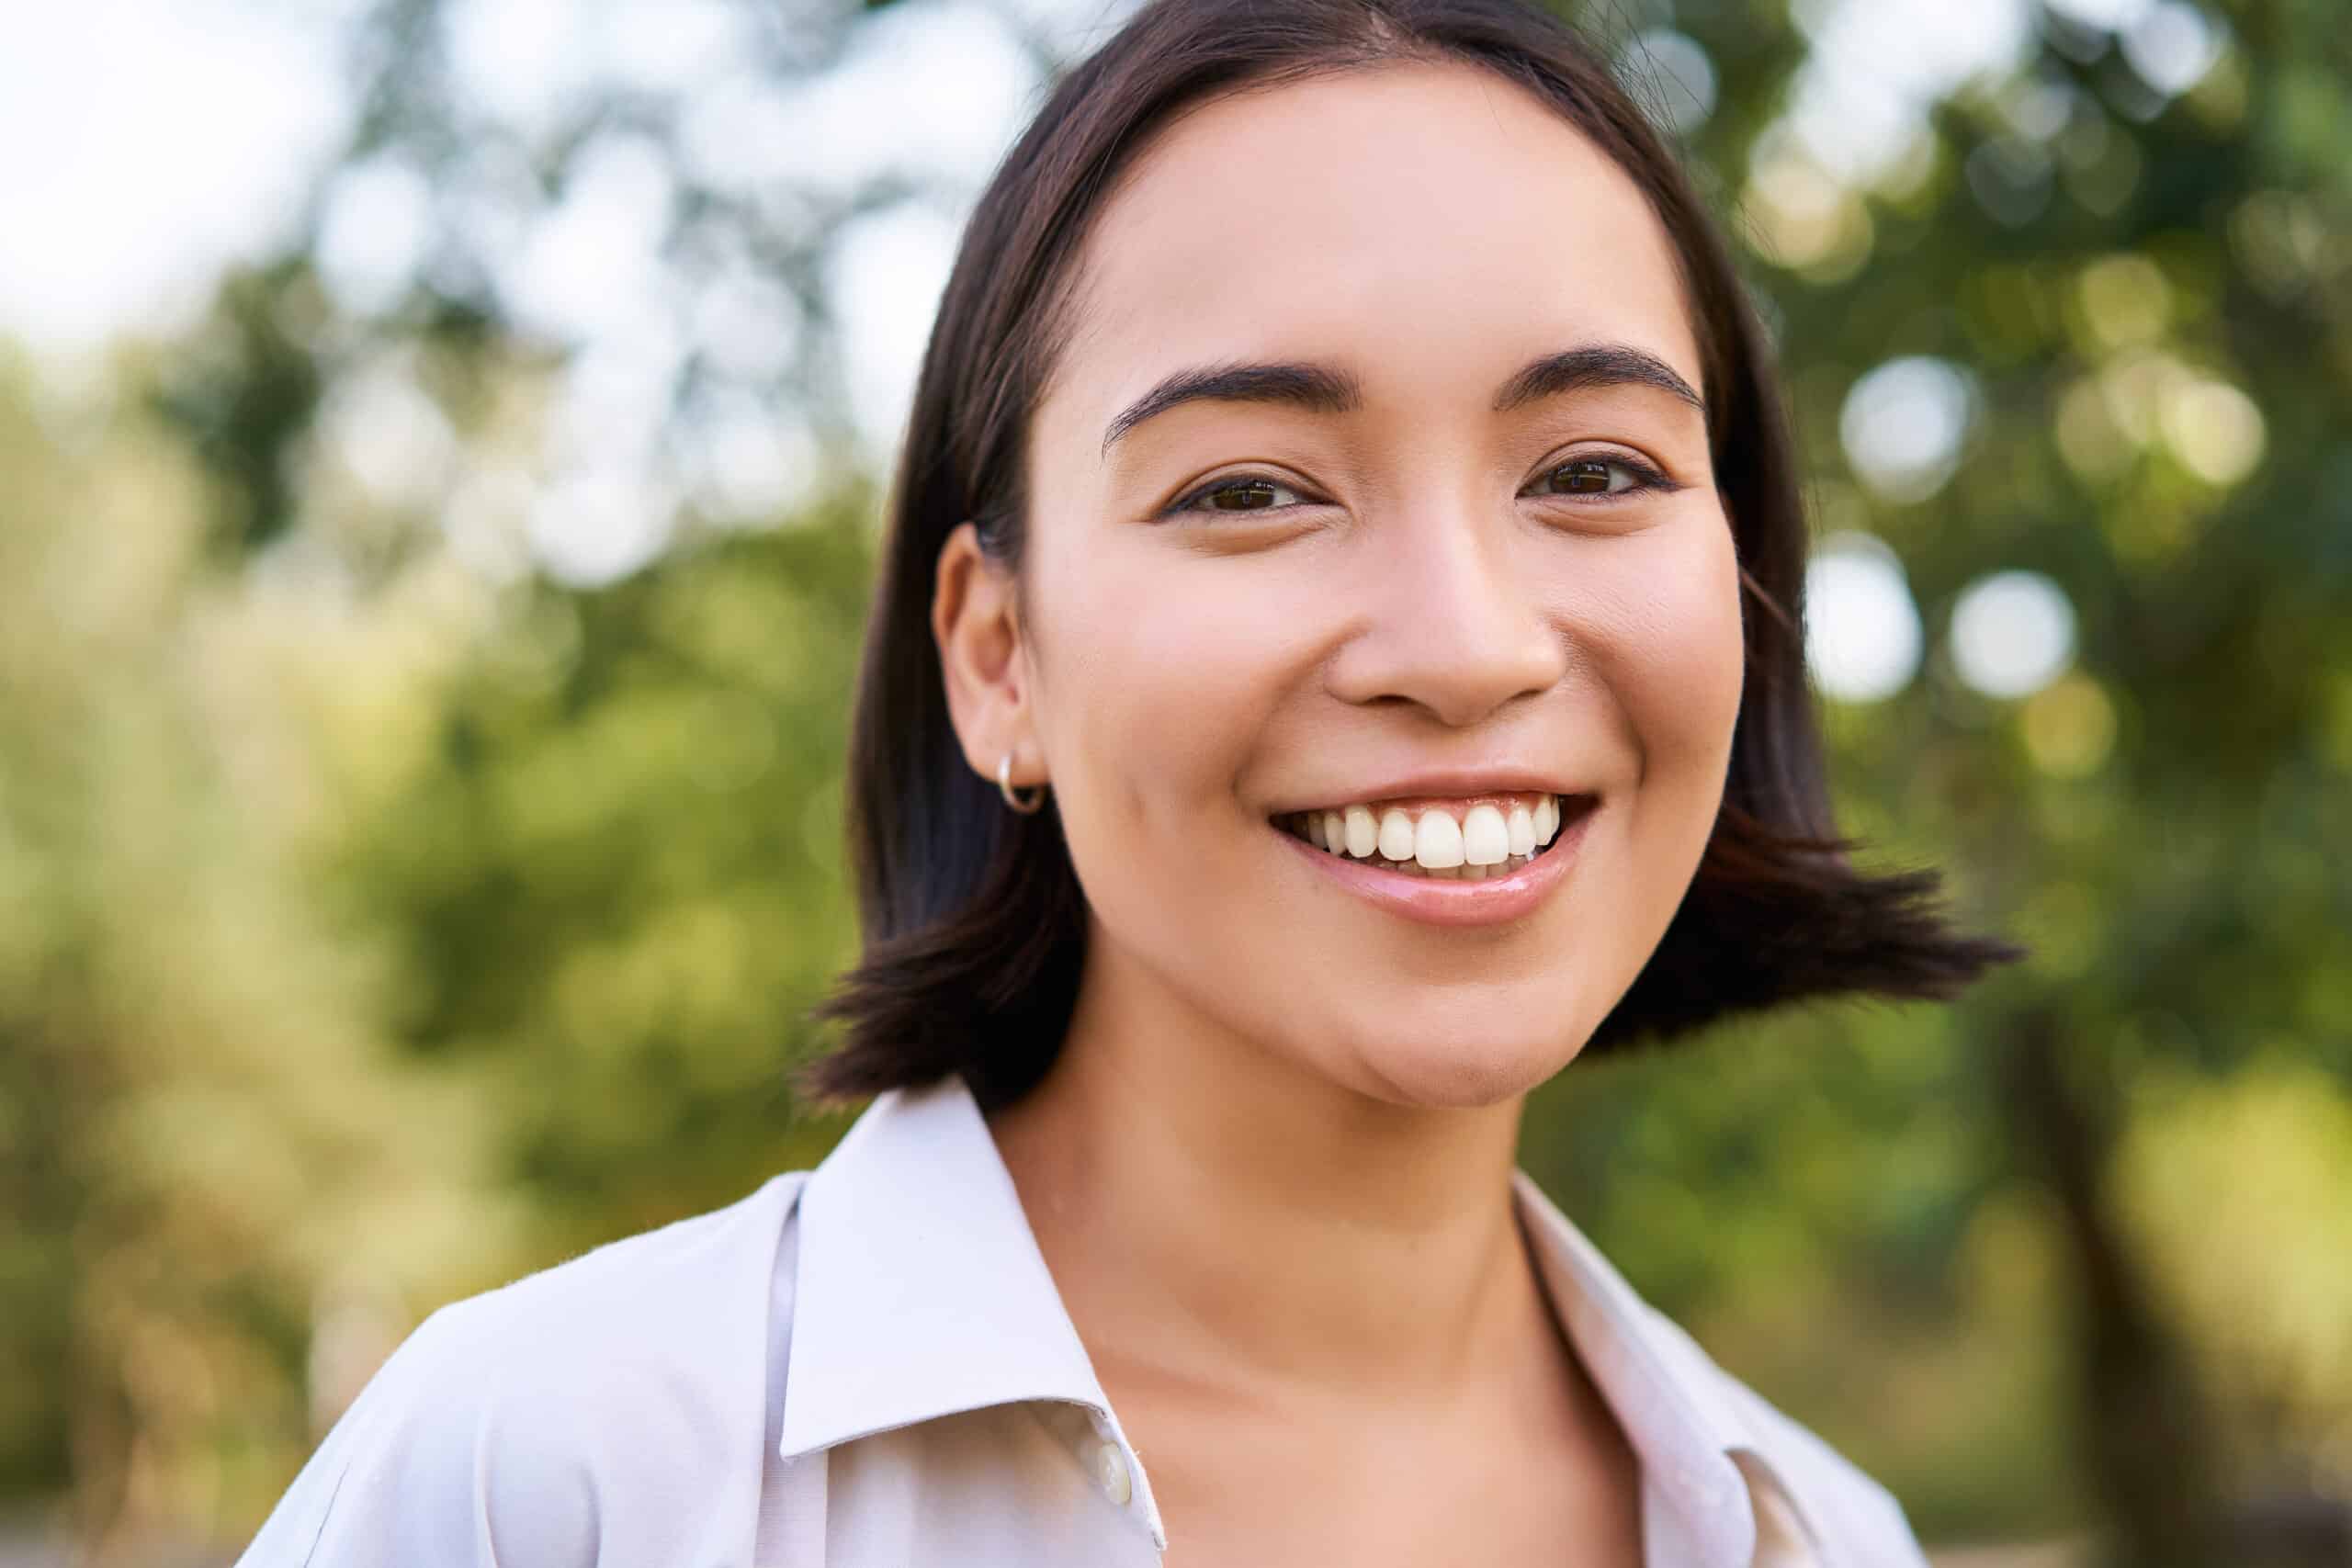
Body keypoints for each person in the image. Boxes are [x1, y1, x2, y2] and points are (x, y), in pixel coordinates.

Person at [234, 0, 2024, 1562]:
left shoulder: (1815, 1531)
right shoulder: (560, 1476)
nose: (1465, 643)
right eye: (1248, 488)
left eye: (1591, 467)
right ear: (996, 654)